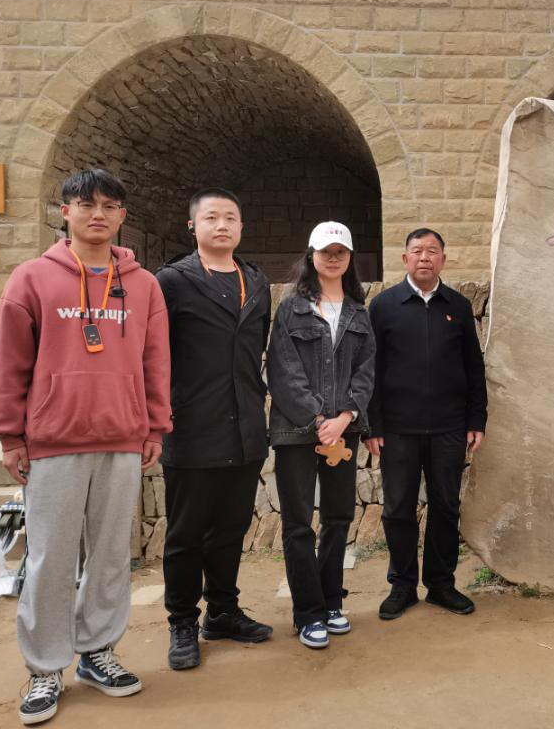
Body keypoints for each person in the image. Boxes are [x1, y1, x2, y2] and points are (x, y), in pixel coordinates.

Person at [0, 169, 171, 725]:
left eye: (110, 206)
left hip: (121, 437)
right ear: (64, 211)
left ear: (122, 216)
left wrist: (154, 427)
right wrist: (10, 435)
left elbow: (155, 362)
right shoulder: (31, 278)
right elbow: (10, 363)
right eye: (86, 204)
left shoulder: (143, 285)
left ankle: (97, 652)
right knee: (51, 558)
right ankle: (45, 667)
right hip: (54, 441)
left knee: (112, 556)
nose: (98, 214)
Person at [156, 188, 273, 671]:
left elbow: (257, 347)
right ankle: (182, 621)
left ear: (242, 226)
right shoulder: (171, 281)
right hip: (192, 427)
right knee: (186, 534)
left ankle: (223, 611)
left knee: (230, 528)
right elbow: (154, 354)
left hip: (244, 427)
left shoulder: (256, 281)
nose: (221, 225)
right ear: (193, 226)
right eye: (211, 218)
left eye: (230, 217)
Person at [366, 228, 487, 620]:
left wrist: (476, 418)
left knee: (445, 506)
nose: (424, 257)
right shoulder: (383, 306)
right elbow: (371, 370)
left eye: (432, 251)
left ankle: (440, 584)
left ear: (443, 260)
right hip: (397, 430)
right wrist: (373, 425)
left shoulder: (458, 306)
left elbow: (473, 366)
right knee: (397, 508)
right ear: (404, 259)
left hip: (448, 427)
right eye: (417, 251)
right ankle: (402, 585)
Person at [268, 222, 375, 650]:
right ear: (311, 256)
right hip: (297, 432)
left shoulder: (359, 312)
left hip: (343, 432)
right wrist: (317, 419)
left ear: (349, 259)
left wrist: (345, 416)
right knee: (298, 524)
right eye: (325, 251)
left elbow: (367, 371)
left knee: (338, 517)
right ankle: (307, 612)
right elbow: (283, 369)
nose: (333, 258)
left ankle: (332, 602)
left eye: (340, 252)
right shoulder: (291, 308)